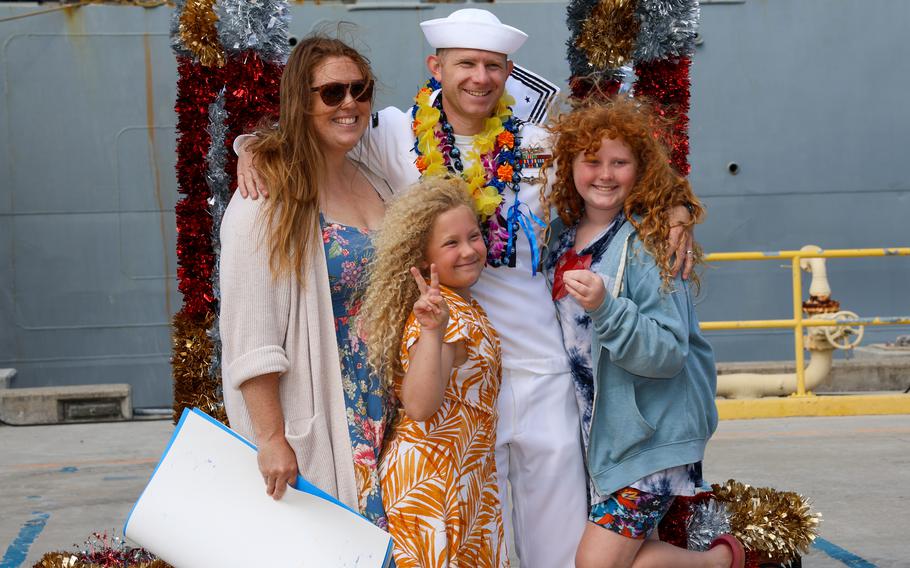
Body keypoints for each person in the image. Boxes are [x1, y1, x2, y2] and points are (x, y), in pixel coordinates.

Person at [234, 10, 696, 566]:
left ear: (507, 72)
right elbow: (313, 131)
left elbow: (618, 174)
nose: (479, 77)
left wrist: (675, 208)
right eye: (465, 64)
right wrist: (251, 148)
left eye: (492, 65)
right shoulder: (392, 135)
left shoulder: (543, 143)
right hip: (453, 374)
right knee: (480, 533)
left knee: (555, 539)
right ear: (436, 67)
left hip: (541, 369)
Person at [541, 97, 744, 568]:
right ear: (570, 165)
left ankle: (720, 562)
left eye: (620, 162)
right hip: (605, 435)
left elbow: (668, 352)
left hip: (653, 437)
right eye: (591, 161)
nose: (605, 174)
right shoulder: (559, 236)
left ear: (642, 168)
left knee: (598, 562)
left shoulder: (650, 242)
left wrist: (606, 308)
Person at [218, 35, 394, 528]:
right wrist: (272, 439)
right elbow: (251, 336)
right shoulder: (265, 200)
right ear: (301, 101)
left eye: (361, 90)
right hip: (329, 409)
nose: (350, 104)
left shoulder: (373, 177)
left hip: (391, 407)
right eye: (332, 93)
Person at [361, 177, 506, 567]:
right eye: (450, 243)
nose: (469, 250)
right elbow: (421, 405)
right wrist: (433, 330)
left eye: (473, 236)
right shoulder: (446, 316)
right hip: (433, 485)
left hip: (457, 480)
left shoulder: (462, 307)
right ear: (425, 260)